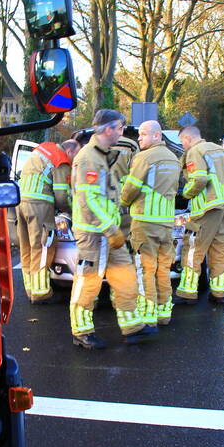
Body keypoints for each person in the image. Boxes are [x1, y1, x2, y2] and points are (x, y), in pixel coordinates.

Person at [69, 109, 158, 348]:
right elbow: (89, 201)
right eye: (119, 127)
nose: (122, 132)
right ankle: (81, 332)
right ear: (108, 129)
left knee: (126, 277)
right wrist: (110, 230)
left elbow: (108, 196)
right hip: (93, 233)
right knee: (89, 282)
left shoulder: (103, 156)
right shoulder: (88, 158)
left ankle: (132, 327)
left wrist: (117, 227)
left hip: (109, 233)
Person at [119, 120, 181, 326]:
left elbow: (131, 188)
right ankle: (164, 314)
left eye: (143, 134)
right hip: (165, 224)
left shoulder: (143, 157)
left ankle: (148, 317)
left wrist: (122, 202)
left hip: (145, 222)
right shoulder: (174, 159)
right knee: (163, 270)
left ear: (157, 136)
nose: (139, 138)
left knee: (146, 270)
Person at [175, 125, 224, 305]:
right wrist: (220, 188)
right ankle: (219, 294)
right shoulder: (219, 149)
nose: (182, 145)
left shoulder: (195, 152)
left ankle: (187, 293)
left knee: (193, 249)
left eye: (182, 141)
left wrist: (186, 194)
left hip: (207, 209)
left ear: (188, 138)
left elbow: (199, 179)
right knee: (219, 250)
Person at [16, 139, 80, 303]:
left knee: (27, 248)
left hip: (20, 203)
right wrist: (73, 210)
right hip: (39, 206)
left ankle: (30, 288)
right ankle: (41, 292)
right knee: (44, 246)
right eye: (76, 156)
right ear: (70, 151)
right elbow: (61, 195)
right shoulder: (61, 159)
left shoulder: (42, 150)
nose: (75, 161)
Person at [110, 134, 140, 239]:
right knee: (125, 233)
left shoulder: (95, 145)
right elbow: (137, 172)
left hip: (103, 196)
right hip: (125, 195)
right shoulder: (131, 145)